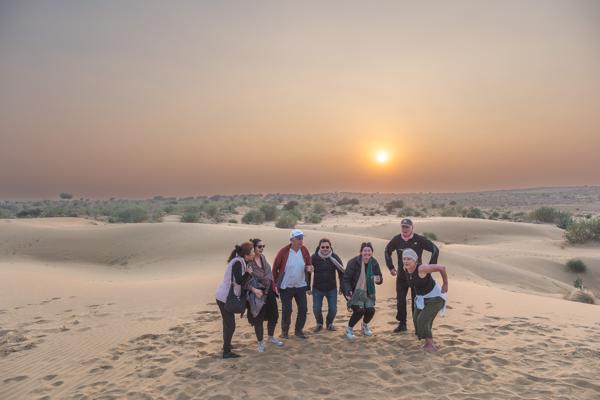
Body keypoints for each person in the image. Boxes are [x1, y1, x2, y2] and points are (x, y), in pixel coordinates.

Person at [385, 218, 439, 333]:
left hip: (417, 277)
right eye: (403, 227)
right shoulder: (397, 239)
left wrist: (430, 267)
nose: (405, 229)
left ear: (412, 228)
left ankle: (417, 326)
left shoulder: (419, 239)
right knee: (400, 300)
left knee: (417, 301)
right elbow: (387, 250)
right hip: (401, 276)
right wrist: (390, 267)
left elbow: (435, 249)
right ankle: (402, 324)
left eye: (407, 227)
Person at [402, 248, 448, 352]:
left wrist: (445, 284)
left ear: (415, 260)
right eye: (404, 259)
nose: (406, 261)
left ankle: (430, 345)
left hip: (435, 298)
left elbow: (442, 267)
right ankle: (426, 340)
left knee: (422, 320)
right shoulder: (406, 269)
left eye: (409, 259)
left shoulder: (422, 268)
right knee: (416, 319)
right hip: (422, 298)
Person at [215, 242, 255, 359]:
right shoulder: (238, 262)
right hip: (225, 297)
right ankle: (226, 352)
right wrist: (248, 273)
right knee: (230, 325)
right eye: (252, 252)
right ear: (246, 255)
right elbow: (239, 281)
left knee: (227, 323)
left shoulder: (240, 261)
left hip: (224, 296)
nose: (254, 253)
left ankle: (226, 346)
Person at [272, 229, 314, 339]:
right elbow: (275, 267)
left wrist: (310, 268)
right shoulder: (283, 252)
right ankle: (284, 332)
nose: (301, 241)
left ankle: (298, 331)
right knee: (287, 310)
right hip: (286, 286)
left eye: (302, 238)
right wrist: (275, 284)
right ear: (291, 240)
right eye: (298, 239)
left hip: (300, 285)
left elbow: (309, 265)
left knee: (303, 309)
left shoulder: (304, 250)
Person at [244, 238, 285, 352]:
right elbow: (245, 281)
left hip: (269, 291)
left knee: (274, 315)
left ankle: (271, 337)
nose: (262, 249)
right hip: (257, 294)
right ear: (254, 248)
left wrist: (274, 287)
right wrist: (254, 290)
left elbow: (269, 274)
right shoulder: (248, 262)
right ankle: (260, 343)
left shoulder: (263, 258)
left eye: (263, 246)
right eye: (259, 247)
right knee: (258, 319)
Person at [342, 242, 383, 340]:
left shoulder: (374, 262)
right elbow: (346, 279)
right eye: (365, 250)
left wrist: (379, 279)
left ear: (372, 252)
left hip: (368, 292)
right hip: (354, 292)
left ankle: (364, 326)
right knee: (359, 311)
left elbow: (380, 278)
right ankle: (349, 329)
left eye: (369, 251)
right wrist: (348, 291)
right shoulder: (353, 262)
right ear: (361, 252)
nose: (367, 253)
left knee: (370, 310)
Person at [309, 238, 344, 332]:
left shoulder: (335, 257)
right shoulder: (314, 257)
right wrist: (308, 287)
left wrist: (342, 286)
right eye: (323, 247)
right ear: (319, 247)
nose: (325, 249)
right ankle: (319, 324)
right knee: (316, 309)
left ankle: (329, 324)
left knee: (333, 309)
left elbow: (342, 272)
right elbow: (308, 272)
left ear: (330, 247)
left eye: (327, 247)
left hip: (331, 288)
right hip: (317, 288)